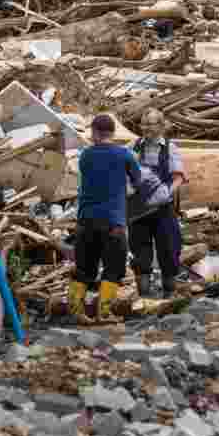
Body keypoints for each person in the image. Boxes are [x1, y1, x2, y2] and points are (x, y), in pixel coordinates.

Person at [69, 114, 160, 324]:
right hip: (113, 223)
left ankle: (76, 311)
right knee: (114, 268)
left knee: (84, 268)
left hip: (85, 221)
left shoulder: (85, 155)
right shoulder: (125, 155)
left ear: (94, 132)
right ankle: (104, 312)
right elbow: (139, 184)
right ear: (113, 132)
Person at [127, 108, 186, 299]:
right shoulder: (133, 146)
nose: (146, 128)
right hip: (137, 209)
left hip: (162, 208)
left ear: (161, 126)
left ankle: (170, 293)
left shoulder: (170, 148)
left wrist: (165, 193)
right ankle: (144, 295)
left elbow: (178, 178)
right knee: (140, 251)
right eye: (143, 124)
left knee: (169, 248)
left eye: (150, 124)